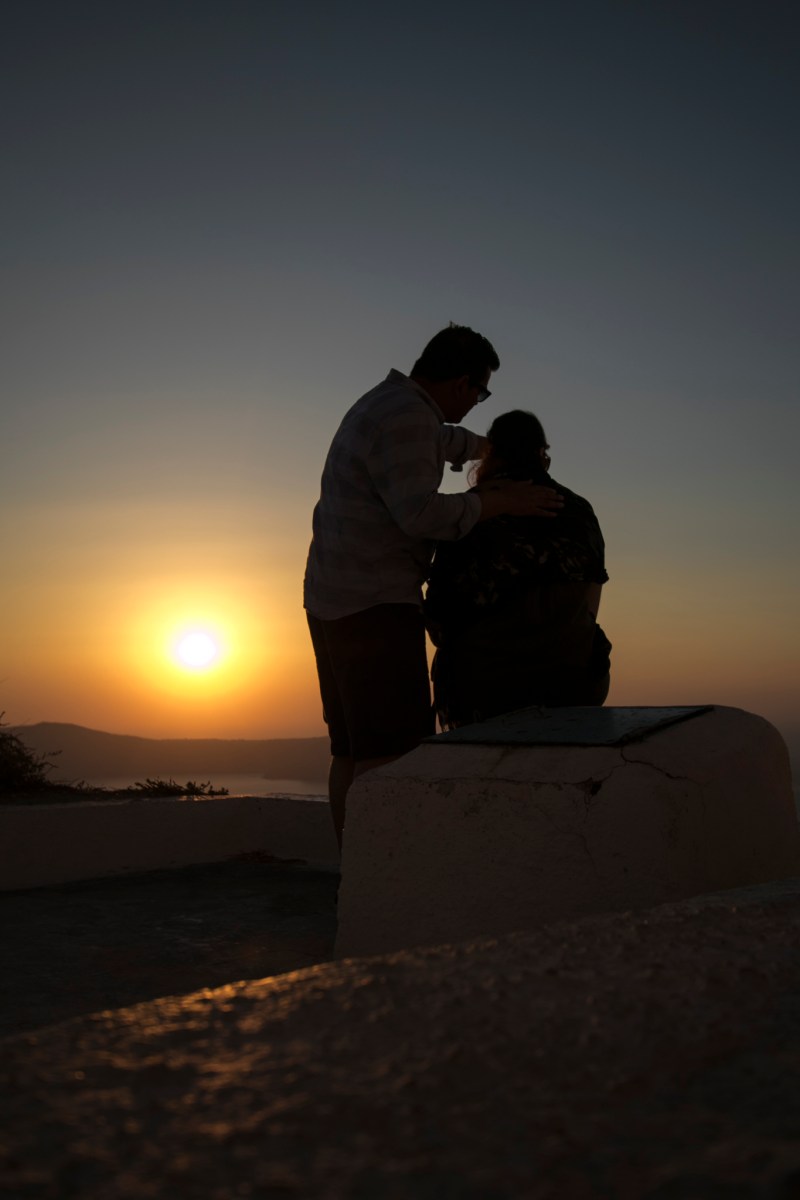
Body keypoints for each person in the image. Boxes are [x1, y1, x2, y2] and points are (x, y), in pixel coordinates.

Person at [303, 326, 564, 848]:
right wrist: (497, 501)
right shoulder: (406, 416)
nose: (476, 404)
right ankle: (377, 882)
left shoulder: (388, 403)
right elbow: (420, 514)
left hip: (333, 599)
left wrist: (493, 449)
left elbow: (443, 440)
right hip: (374, 605)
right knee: (387, 754)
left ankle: (351, 875)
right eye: (480, 393)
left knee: (351, 750)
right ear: (464, 383)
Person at [424, 408, 611, 729]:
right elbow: (590, 607)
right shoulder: (579, 510)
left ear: (490, 455)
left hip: (487, 693)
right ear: (542, 454)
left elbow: (439, 621)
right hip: (574, 685)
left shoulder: (474, 509)